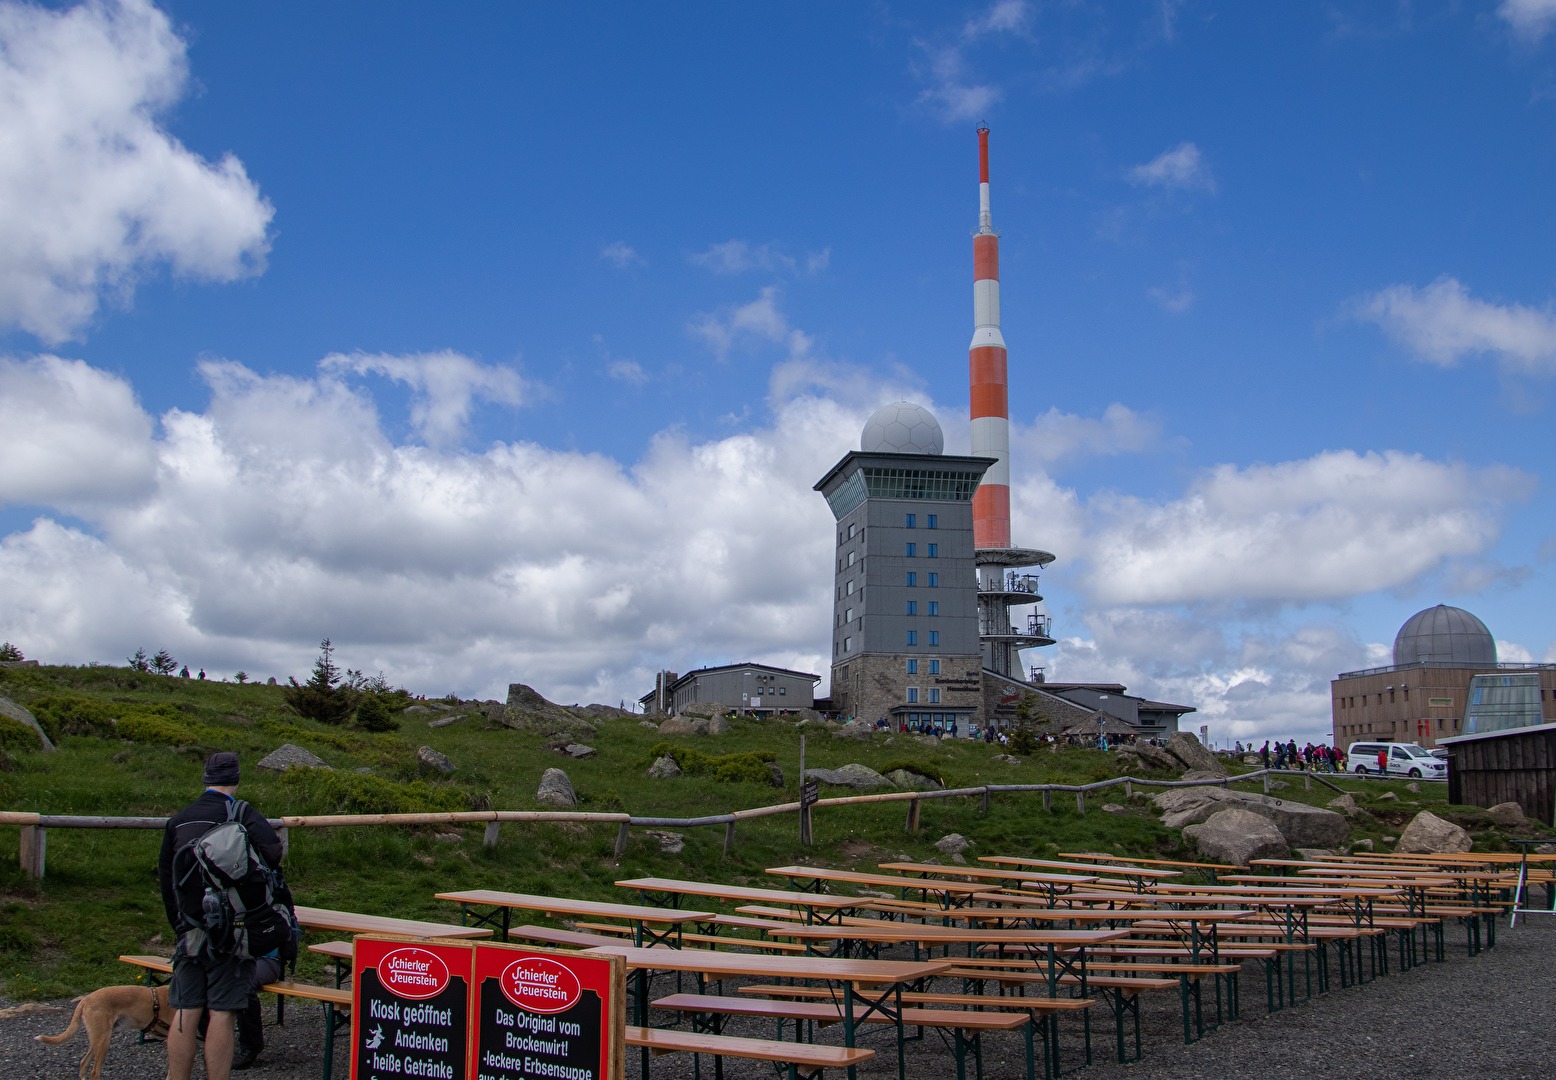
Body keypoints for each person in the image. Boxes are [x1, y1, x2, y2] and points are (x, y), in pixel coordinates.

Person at [159, 753, 285, 1077]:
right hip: (233, 932)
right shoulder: (241, 813)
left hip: (190, 932)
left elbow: (166, 879)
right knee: (223, 1013)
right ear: (236, 779)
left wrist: (180, 925)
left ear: (205, 779)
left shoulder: (180, 820)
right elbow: (273, 853)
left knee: (186, 1012)